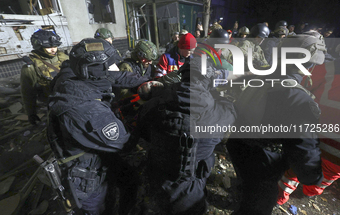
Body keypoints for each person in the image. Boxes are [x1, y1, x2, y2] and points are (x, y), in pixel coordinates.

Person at [226, 33, 325, 215]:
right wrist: (314, 177)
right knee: (258, 206)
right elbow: (303, 151)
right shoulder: (298, 99)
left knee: (247, 190)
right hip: (263, 162)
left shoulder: (259, 74)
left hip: (238, 147)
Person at [48, 38, 148, 215]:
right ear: (98, 71)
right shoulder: (89, 111)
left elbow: (118, 76)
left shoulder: (73, 72)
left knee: (130, 179)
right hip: (86, 174)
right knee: (101, 209)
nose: (116, 68)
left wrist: (149, 81)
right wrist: (144, 116)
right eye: (111, 65)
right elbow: (125, 143)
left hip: (94, 151)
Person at [137, 56, 236, 215]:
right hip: (190, 188)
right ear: (209, 79)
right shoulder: (221, 113)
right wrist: (217, 98)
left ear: (182, 74)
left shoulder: (153, 105)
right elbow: (228, 122)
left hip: (156, 178)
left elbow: (144, 132)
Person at [277, 57, 340, 206]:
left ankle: (280, 194)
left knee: (297, 165)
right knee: (326, 176)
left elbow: (306, 84)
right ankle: (308, 191)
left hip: (317, 133)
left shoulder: (332, 67)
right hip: (337, 155)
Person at [20, 29, 69, 125]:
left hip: (72, 97)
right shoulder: (31, 67)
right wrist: (31, 113)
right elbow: (28, 92)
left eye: (55, 46)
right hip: (53, 103)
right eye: (49, 47)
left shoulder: (65, 58)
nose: (53, 49)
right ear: (39, 46)